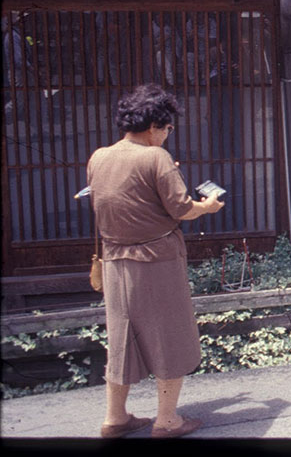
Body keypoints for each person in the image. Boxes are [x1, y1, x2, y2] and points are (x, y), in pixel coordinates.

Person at [85, 84, 225, 438]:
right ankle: (167, 420)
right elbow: (181, 208)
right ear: (153, 126)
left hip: (116, 260)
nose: (167, 134)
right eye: (167, 128)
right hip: (156, 260)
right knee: (169, 335)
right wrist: (207, 206)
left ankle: (115, 417)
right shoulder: (156, 158)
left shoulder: (99, 156)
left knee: (122, 337)